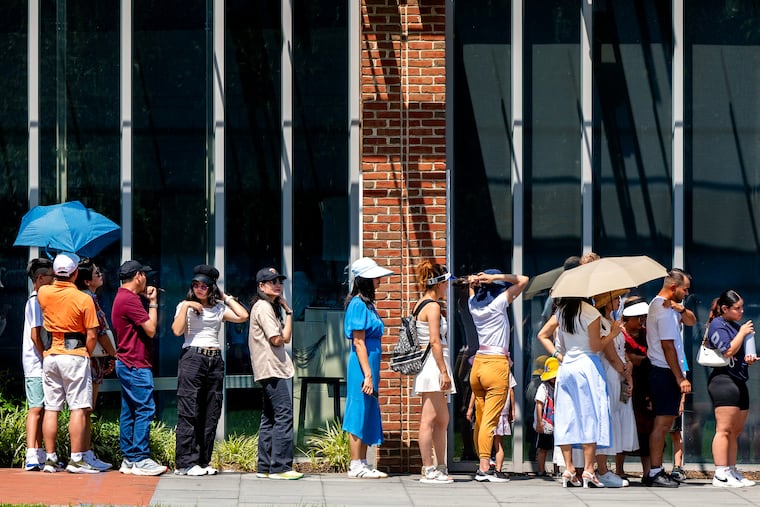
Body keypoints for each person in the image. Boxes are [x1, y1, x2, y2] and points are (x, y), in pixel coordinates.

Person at [172, 264, 249, 476]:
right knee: (189, 410)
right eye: (195, 285)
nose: (199, 288)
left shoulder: (218, 308)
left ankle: (202, 461)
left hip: (214, 359)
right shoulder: (184, 305)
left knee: (211, 411)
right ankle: (185, 462)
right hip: (192, 357)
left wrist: (226, 297)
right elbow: (177, 331)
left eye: (204, 286)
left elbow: (243, 316)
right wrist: (188, 305)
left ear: (211, 288)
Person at [537, 296, 613, 488]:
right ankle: (588, 469)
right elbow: (596, 346)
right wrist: (613, 333)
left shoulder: (561, 312)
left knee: (567, 416)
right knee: (590, 416)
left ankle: (569, 468)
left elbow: (542, 335)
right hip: (587, 366)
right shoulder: (591, 312)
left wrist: (557, 355)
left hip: (567, 366)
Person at [37, 252, 100, 473]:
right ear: (75, 274)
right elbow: (92, 335)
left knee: (51, 408)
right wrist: (86, 354)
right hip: (75, 354)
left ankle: (51, 459)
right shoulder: (84, 299)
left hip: (52, 354)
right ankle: (76, 459)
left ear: (55, 272)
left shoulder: (43, 293)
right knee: (78, 407)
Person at [468, 269, 529, 482]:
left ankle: (481, 463)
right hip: (496, 364)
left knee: (481, 417)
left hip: (478, 364)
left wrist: (474, 282)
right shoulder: (499, 303)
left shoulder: (473, 305)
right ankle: (485, 468)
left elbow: (471, 291)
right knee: (490, 420)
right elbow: (524, 280)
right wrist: (494, 278)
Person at [112, 260, 168, 476]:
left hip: (126, 362)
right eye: (145, 275)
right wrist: (153, 303)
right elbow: (151, 329)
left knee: (129, 411)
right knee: (145, 409)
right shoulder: (130, 299)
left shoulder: (121, 297)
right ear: (138, 276)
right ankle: (140, 458)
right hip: (136, 363)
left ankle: (128, 458)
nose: (147, 279)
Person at [247, 267, 302, 480]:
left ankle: (264, 467)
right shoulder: (263, 307)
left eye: (279, 280)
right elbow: (276, 339)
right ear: (261, 286)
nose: (277, 284)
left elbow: (285, 337)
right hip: (271, 368)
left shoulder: (270, 307)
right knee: (284, 414)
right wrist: (281, 328)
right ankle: (280, 467)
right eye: (272, 281)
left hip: (272, 368)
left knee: (270, 417)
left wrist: (288, 312)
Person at [343, 257, 394, 479]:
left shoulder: (367, 304)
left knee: (368, 411)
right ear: (365, 279)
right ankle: (355, 465)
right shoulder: (357, 305)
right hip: (362, 366)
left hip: (370, 364)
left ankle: (363, 461)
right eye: (375, 277)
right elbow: (359, 341)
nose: (380, 280)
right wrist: (368, 374)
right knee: (358, 410)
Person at [643, 268, 695, 488]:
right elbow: (667, 346)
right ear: (673, 287)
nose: (686, 293)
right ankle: (654, 472)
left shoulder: (670, 307)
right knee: (662, 424)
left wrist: (680, 307)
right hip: (664, 371)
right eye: (685, 290)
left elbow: (691, 321)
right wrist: (679, 377)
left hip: (666, 370)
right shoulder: (662, 309)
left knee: (665, 423)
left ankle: (655, 469)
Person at [705, 290, 757, 488]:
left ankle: (731, 469)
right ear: (725, 308)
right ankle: (720, 472)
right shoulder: (718, 324)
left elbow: (737, 354)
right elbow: (727, 350)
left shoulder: (735, 326)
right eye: (737, 308)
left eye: (742, 307)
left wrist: (748, 359)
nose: (741, 311)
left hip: (739, 379)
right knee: (724, 429)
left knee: (735, 431)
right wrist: (743, 333)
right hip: (723, 381)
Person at [412, 261, 456, 484]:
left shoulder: (421, 304)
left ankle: (439, 465)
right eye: (445, 283)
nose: (447, 287)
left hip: (432, 363)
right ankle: (429, 468)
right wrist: (444, 372)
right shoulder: (433, 307)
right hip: (433, 365)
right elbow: (435, 341)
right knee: (429, 418)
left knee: (442, 418)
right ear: (438, 283)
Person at [75, 259, 117, 472]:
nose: (100, 274)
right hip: (90, 357)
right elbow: (99, 332)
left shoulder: (83, 298)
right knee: (85, 408)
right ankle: (82, 454)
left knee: (85, 409)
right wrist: (114, 354)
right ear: (86, 280)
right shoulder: (88, 300)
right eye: (95, 272)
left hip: (89, 356)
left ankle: (84, 453)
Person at [593, 291, 635, 488]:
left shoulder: (613, 321)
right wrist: (625, 373)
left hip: (619, 371)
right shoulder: (601, 322)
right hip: (609, 373)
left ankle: (608, 466)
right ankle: (601, 468)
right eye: (616, 298)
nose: (619, 302)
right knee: (607, 417)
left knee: (617, 416)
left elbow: (621, 351)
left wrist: (628, 367)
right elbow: (609, 353)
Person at [21, 258, 54, 471]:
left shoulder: (41, 301)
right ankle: (30, 453)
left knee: (42, 408)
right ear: (40, 278)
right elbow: (35, 335)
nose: (53, 281)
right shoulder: (34, 301)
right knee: (35, 408)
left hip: (40, 362)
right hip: (35, 363)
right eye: (50, 277)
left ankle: (39, 451)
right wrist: (46, 357)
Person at [620, 297, 653, 478]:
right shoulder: (618, 333)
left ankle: (648, 470)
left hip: (645, 385)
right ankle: (619, 469)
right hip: (625, 383)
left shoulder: (647, 333)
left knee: (647, 428)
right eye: (637, 317)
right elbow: (627, 358)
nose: (641, 321)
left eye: (643, 317)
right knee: (624, 425)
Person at [534, 357, 559, 477]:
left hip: (558, 422)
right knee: (543, 447)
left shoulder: (560, 386)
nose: (553, 379)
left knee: (557, 448)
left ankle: (557, 470)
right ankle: (540, 469)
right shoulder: (543, 387)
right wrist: (539, 422)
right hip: (546, 422)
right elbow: (539, 404)